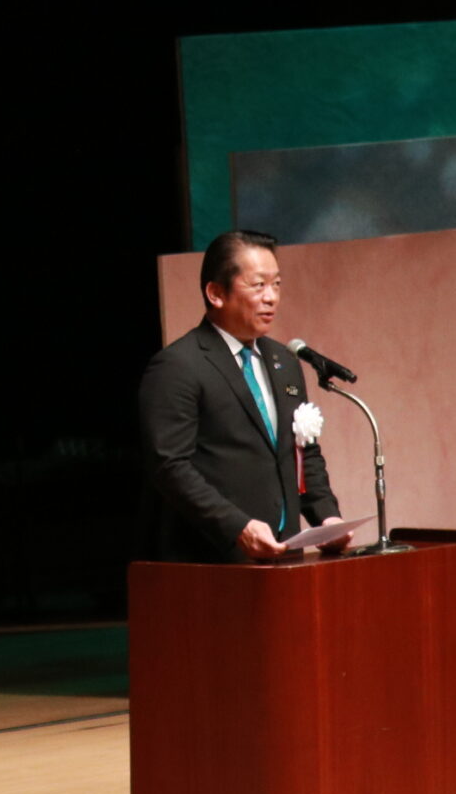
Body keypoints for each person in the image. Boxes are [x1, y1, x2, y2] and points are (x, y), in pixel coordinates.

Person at [137, 229, 342, 563]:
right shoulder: (178, 366)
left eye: (276, 284)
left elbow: (304, 455)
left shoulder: (285, 362)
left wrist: (327, 517)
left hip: (286, 556)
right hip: (215, 561)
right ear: (216, 293)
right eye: (258, 285)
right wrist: (237, 527)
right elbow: (169, 466)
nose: (272, 297)